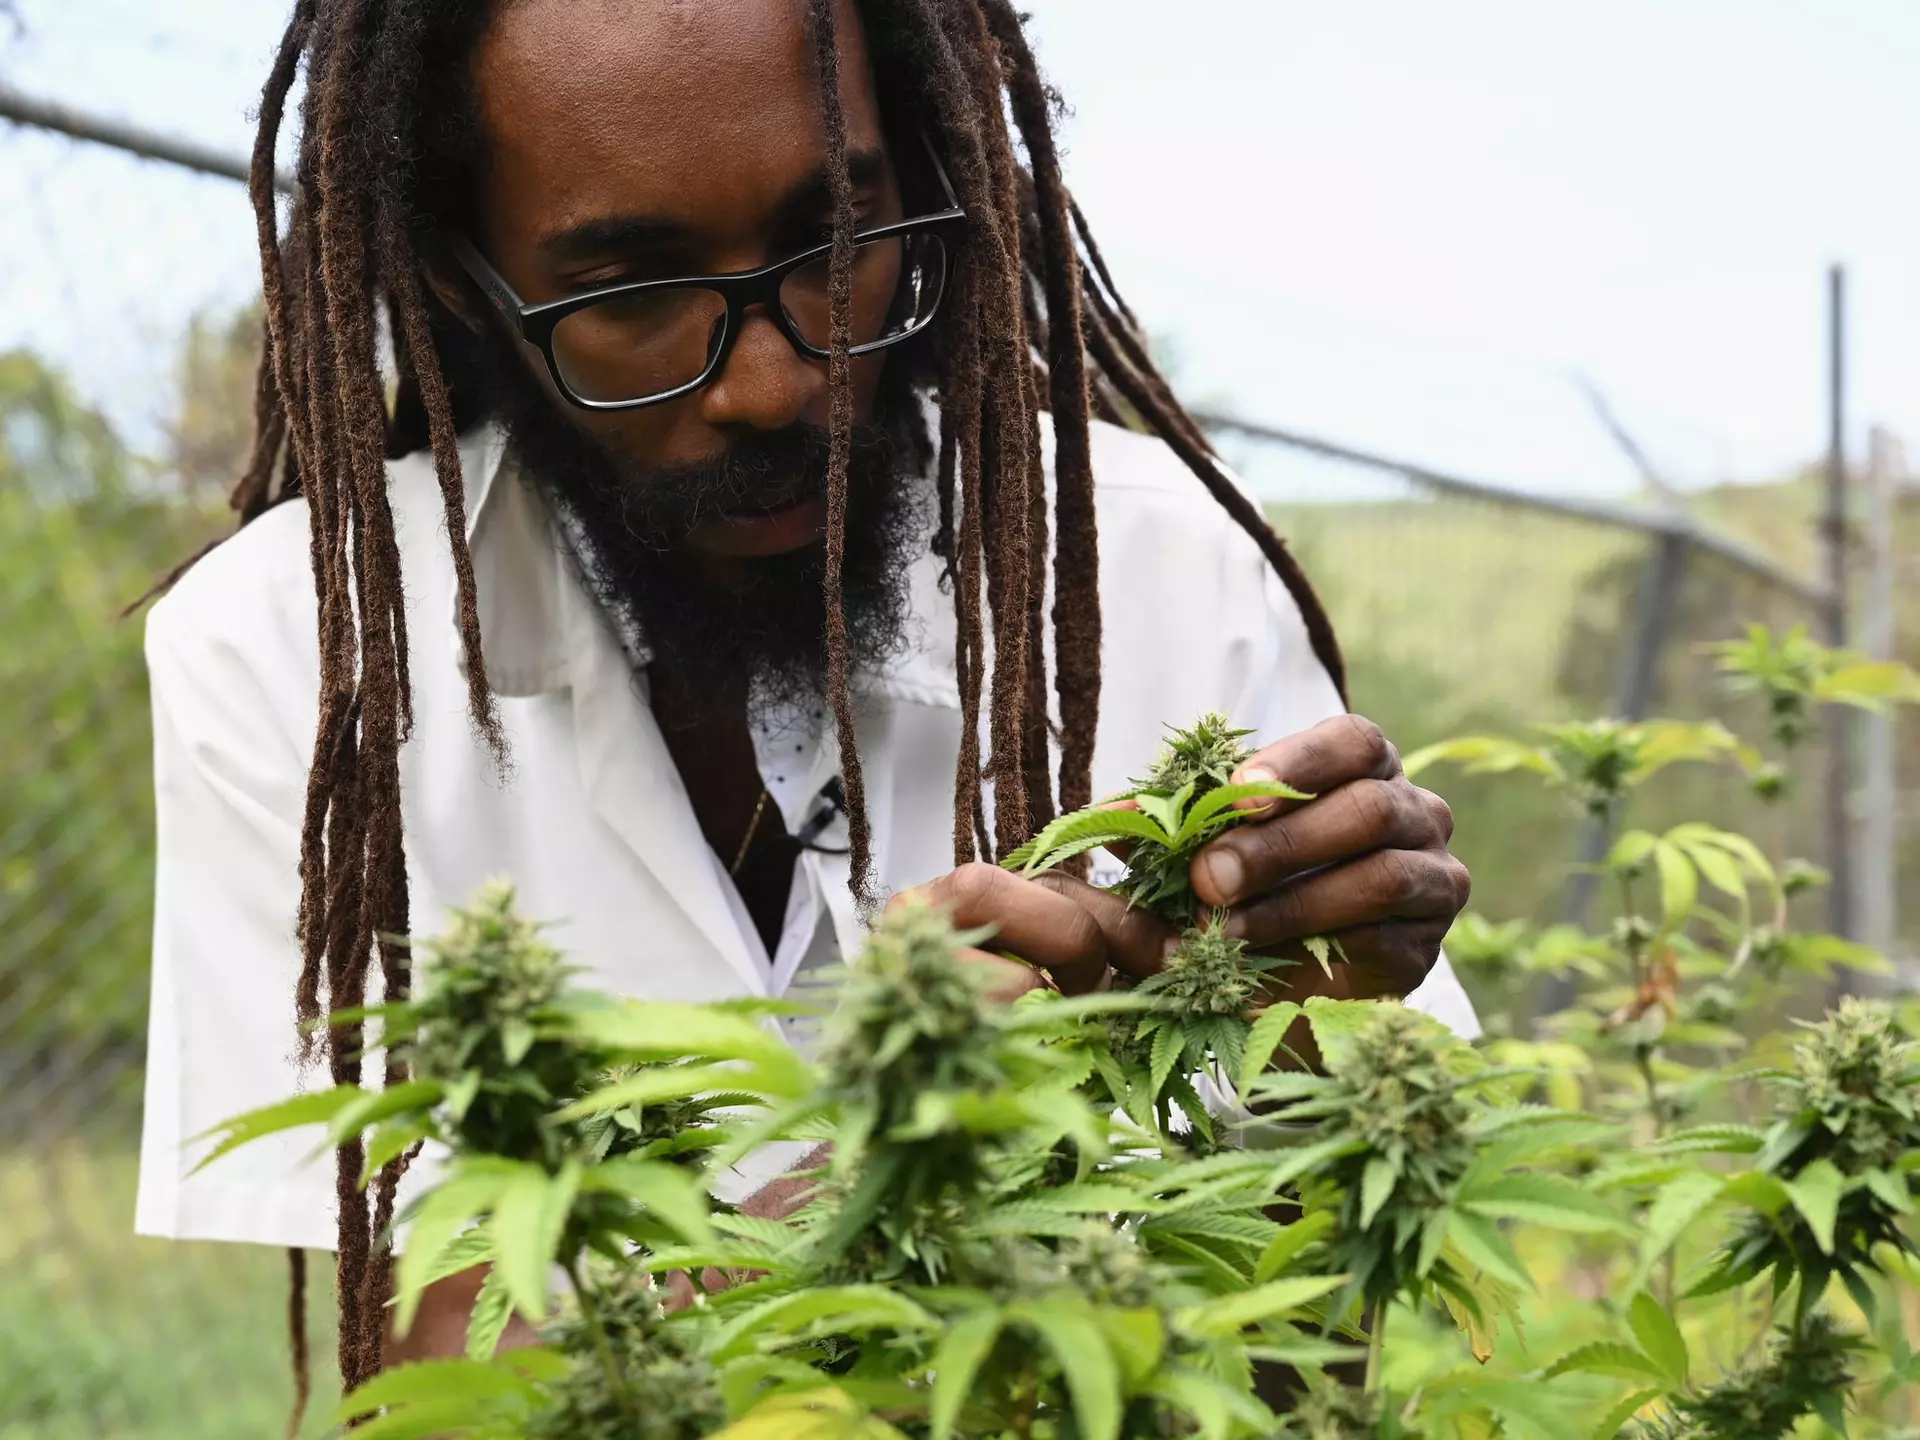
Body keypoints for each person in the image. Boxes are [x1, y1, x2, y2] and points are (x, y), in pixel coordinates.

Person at [135, 0, 1476, 1388]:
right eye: (634, 298)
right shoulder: (292, 651)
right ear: (464, 281)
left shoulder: (1162, 571)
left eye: (839, 249)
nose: (780, 384)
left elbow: (1311, 1368)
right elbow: (428, 1380)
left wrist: (1309, 1036)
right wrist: (887, 1164)